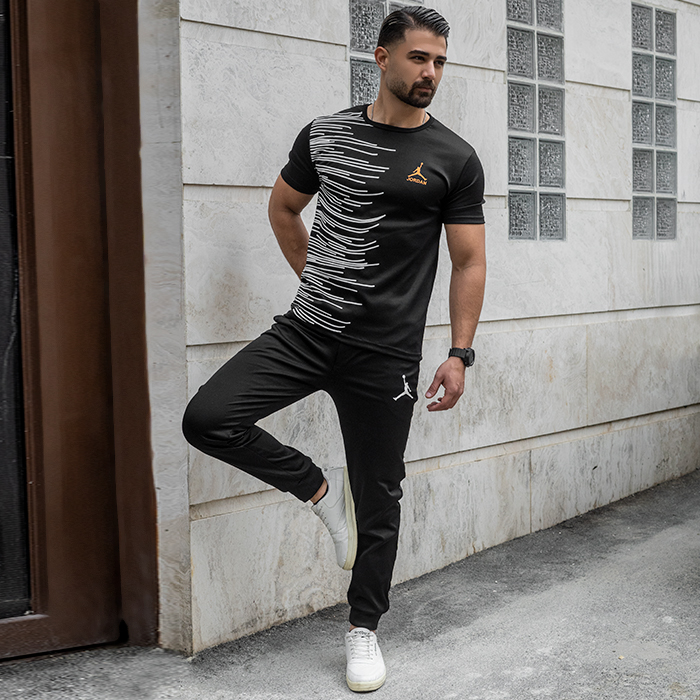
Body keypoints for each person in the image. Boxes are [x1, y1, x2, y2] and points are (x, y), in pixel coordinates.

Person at [182, 6, 486, 692]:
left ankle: (363, 628)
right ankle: (319, 491)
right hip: (307, 332)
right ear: (381, 57)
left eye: (440, 61)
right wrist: (318, 279)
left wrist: (459, 352)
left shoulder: (455, 158)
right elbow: (283, 208)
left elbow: (469, 261)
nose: (431, 72)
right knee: (208, 418)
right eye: (419, 57)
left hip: (386, 355)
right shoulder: (325, 134)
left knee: (380, 494)